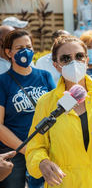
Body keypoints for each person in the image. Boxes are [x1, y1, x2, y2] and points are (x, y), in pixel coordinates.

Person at [25, 35, 92, 187]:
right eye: (66, 59)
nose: (74, 62)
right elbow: (35, 147)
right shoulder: (47, 102)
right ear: (56, 65)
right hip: (67, 181)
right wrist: (41, 162)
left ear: (87, 60)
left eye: (79, 56)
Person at [0, 30, 55, 188]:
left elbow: (56, 110)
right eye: (19, 48)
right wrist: (27, 149)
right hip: (15, 153)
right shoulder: (2, 81)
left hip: (45, 150)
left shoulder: (45, 76)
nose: (25, 51)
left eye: (29, 47)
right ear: (8, 52)